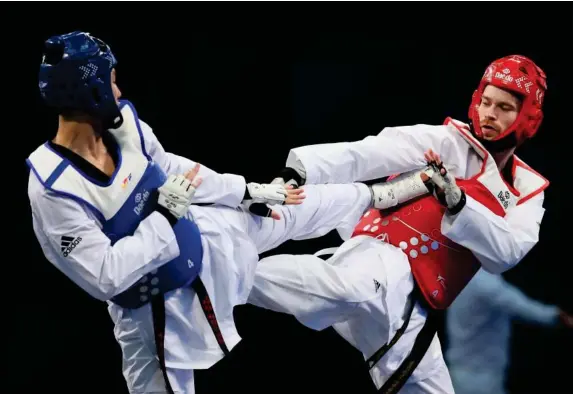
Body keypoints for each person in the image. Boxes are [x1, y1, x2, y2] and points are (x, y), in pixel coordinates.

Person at [27, 31, 388, 393]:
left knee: (291, 204)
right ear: (93, 91)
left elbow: (169, 167)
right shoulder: (54, 188)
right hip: (157, 314)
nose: (118, 92)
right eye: (112, 81)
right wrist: (164, 215)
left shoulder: (123, 124)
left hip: (210, 238)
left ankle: (383, 195)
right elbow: (104, 275)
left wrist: (243, 190)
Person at [247, 54, 550, 393]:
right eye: (486, 102)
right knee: (341, 291)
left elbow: (507, 253)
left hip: (416, 311)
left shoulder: (527, 189)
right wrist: (301, 171)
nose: (489, 114)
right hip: (380, 256)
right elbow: (371, 152)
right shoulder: (448, 141)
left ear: (528, 119)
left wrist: (458, 203)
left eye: (504, 108)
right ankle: (231, 270)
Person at [445, 268, 573, 394]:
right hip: (481, 381)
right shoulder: (485, 283)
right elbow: (522, 307)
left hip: (462, 375)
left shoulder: (459, 276)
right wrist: (558, 316)